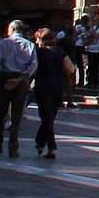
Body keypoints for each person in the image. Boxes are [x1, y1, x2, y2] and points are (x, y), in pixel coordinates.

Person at [0, 20, 36, 159]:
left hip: (5, 78)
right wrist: (20, 80)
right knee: (17, 116)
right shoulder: (30, 45)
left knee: (0, 113)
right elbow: (33, 66)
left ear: (13, 29)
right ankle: (13, 148)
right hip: (21, 81)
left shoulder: (4, 43)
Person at [31, 27, 71, 159]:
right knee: (50, 117)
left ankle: (52, 147)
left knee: (46, 117)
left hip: (43, 86)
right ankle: (40, 142)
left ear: (40, 39)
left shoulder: (38, 52)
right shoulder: (60, 52)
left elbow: (32, 69)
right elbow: (70, 69)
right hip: (59, 86)